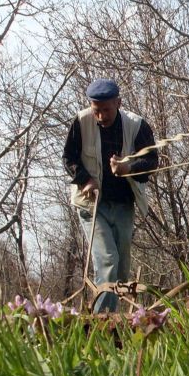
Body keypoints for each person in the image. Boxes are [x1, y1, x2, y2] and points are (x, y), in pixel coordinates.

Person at [63, 79, 158, 313]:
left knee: (122, 266)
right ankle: (102, 322)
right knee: (107, 259)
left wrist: (129, 169)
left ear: (118, 103)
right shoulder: (81, 122)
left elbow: (152, 162)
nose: (101, 116)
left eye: (106, 110)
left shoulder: (137, 126)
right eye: (97, 110)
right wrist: (86, 179)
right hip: (91, 204)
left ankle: (117, 319)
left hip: (124, 203)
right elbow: (69, 158)